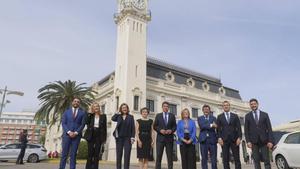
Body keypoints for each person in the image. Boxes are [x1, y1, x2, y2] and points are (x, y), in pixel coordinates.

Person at [244, 98, 274, 169]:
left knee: (266, 160)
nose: (253, 105)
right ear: (250, 106)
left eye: (254, 104)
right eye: (251, 104)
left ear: (257, 104)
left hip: (264, 140)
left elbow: (269, 129)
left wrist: (270, 141)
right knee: (256, 161)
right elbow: (246, 130)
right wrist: (248, 141)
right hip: (254, 141)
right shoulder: (247, 116)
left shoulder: (265, 115)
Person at [59, 98, 86, 169]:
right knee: (64, 154)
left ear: (79, 104)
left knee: (73, 154)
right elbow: (64, 123)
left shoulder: (82, 113)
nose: (76, 102)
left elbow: (82, 124)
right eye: (75, 101)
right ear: (72, 102)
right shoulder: (66, 112)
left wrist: (76, 132)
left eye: (78, 102)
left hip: (76, 137)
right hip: (66, 136)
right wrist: (69, 132)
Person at [217, 101, 242, 169]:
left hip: (235, 139)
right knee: (225, 159)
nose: (226, 106)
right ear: (223, 107)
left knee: (237, 158)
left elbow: (239, 128)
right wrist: (219, 138)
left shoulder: (235, 116)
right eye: (224, 105)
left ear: (229, 106)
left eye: (227, 105)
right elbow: (218, 129)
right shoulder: (219, 117)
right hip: (224, 140)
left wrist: (239, 138)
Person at [153, 101, 177, 169]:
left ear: (168, 108)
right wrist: (160, 130)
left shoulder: (172, 116)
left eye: (167, 106)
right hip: (160, 139)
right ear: (162, 107)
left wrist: (171, 130)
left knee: (170, 156)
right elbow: (155, 126)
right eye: (164, 106)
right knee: (159, 156)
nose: (166, 107)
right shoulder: (158, 115)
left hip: (169, 139)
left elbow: (175, 126)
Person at [112, 103, 135, 169]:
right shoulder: (118, 116)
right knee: (119, 155)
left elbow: (133, 128)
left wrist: (132, 137)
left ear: (127, 109)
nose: (124, 109)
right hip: (119, 138)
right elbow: (113, 118)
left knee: (127, 155)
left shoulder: (131, 117)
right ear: (121, 109)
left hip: (128, 138)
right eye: (123, 108)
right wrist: (117, 113)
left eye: (125, 107)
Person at [84, 103, 107, 169]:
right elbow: (86, 122)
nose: (96, 107)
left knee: (96, 154)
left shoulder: (103, 116)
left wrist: (104, 139)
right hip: (91, 135)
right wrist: (89, 113)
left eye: (97, 106)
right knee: (90, 154)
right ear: (92, 108)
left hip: (99, 135)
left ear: (99, 107)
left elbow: (104, 128)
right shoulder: (90, 115)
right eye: (94, 106)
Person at [198, 105, 218, 169]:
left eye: (207, 109)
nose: (206, 110)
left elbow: (216, 127)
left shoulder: (214, 118)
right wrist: (212, 125)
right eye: (205, 109)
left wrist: (206, 125)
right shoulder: (200, 118)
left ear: (209, 110)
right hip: (203, 140)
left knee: (214, 157)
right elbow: (202, 126)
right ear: (203, 110)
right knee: (204, 157)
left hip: (212, 140)